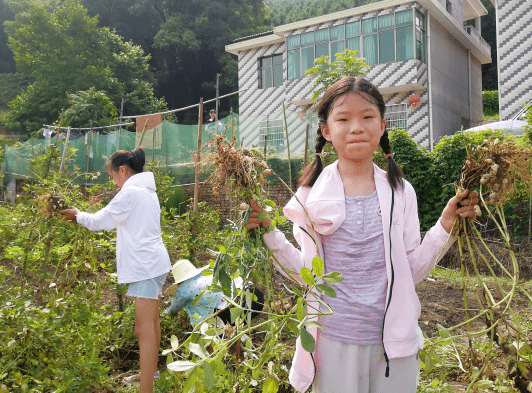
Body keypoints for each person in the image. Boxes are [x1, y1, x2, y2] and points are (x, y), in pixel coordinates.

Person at [241, 77, 479, 393]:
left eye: (367, 117)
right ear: (326, 131)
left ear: (382, 126)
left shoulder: (401, 192)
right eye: (343, 119)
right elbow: (306, 274)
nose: (357, 127)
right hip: (334, 340)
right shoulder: (309, 197)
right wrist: (269, 233)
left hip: (394, 346)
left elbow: (413, 271)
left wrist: (446, 226)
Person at [59, 147, 171, 393]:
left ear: (122, 170)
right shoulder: (146, 191)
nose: (114, 182)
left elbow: (101, 221)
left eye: (112, 177)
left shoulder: (131, 193)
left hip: (146, 266)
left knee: (143, 329)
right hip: (153, 263)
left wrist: (78, 215)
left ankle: (146, 388)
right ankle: (150, 377)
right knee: (151, 324)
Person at [164, 259, 264, 327]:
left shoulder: (183, 290)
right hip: (255, 293)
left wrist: (165, 315)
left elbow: (175, 307)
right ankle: (236, 338)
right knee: (233, 321)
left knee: (216, 325)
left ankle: (224, 343)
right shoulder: (208, 274)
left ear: (179, 281)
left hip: (238, 302)